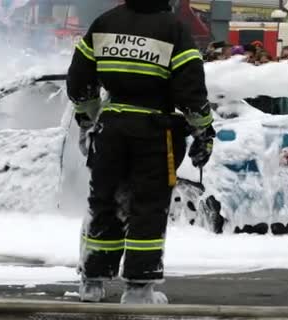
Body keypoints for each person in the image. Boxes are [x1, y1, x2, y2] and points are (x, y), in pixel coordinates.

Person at [66, 0, 215, 304]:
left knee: (105, 201)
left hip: (111, 129)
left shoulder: (105, 22)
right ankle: (138, 288)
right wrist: (203, 131)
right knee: (148, 206)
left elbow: (80, 80)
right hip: (154, 133)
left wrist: (88, 119)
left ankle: (92, 282)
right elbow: (191, 90)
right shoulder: (174, 29)